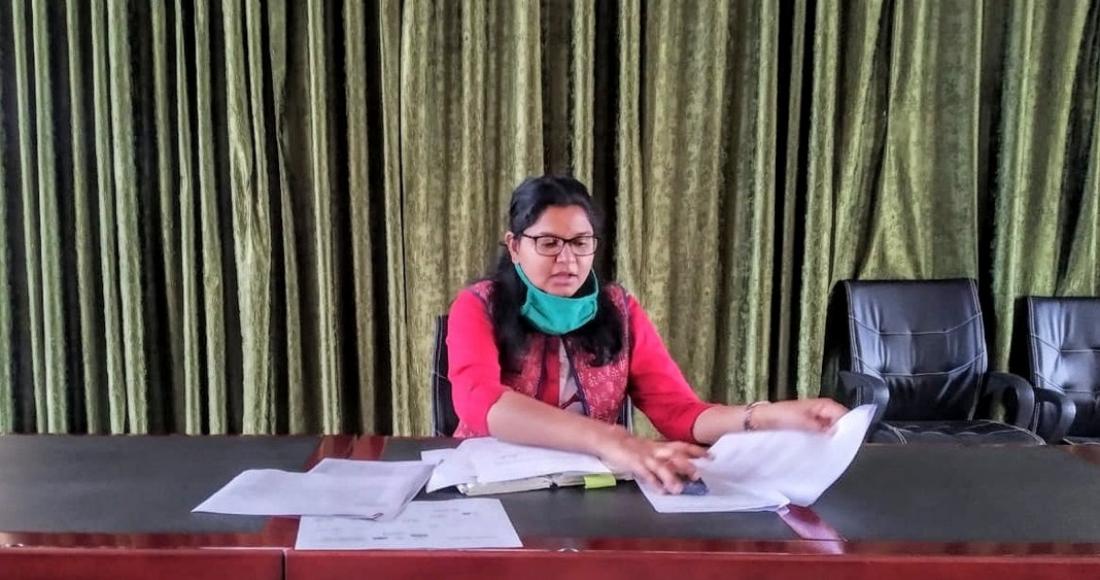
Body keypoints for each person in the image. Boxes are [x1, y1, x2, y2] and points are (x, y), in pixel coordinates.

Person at [446, 175, 847, 494]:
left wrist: (764, 416)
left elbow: (679, 413)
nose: (567, 259)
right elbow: (481, 403)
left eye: (580, 243)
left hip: (588, 491)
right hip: (490, 487)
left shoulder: (620, 310)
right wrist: (612, 440)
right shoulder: (479, 305)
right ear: (515, 246)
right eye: (548, 243)